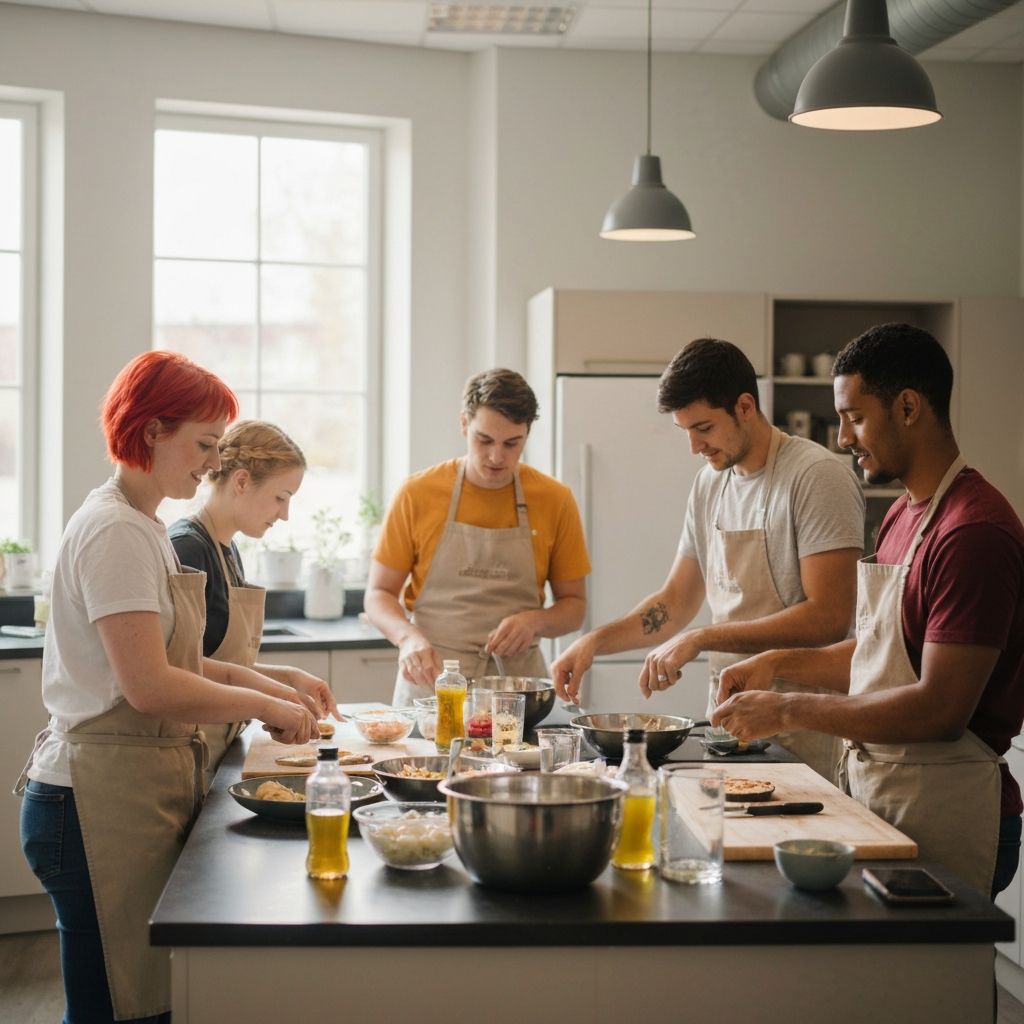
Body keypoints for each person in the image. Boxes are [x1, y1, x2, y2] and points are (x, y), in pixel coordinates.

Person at [17, 352, 319, 1024]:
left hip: (120, 792)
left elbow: (186, 659)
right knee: (113, 1009)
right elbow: (151, 686)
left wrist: (268, 690)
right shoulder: (116, 531)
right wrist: (265, 702)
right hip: (90, 802)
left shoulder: (144, 526)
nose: (213, 464)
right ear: (153, 430)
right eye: (205, 444)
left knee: (140, 1004)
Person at [713, 323, 1024, 899]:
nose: (841, 437)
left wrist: (786, 709)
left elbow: (939, 709)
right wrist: (777, 663)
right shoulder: (905, 515)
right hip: (891, 795)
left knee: (941, 987)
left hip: (951, 807)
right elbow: (882, 652)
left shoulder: (973, 532)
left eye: (854, 417)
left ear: (907, 407)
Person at [552, 338, 865, 781]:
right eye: (686, 431)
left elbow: (829, 616)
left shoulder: (816, 476)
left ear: (744, 406)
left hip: (802, 726)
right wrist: (594, 642)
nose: (694, 446)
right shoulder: (709, 484)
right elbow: (676, 601)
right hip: (727, 723)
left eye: (703, 428)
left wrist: (702, 638)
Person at [364, 368, 591, 705]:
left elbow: (574, 607)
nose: (497, 457)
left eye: (512, 443)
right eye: (484, 440)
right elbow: (379, 593)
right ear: (464, 424)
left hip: (517, 692)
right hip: (432, 687)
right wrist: (407, 639)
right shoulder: (418, 493)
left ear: (527, 435)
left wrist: (535, 621)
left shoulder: (554, 499)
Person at [169, 419, 340, 791]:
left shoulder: (226, 548)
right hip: (189, 749)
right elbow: (182, 666)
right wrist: (273, 697)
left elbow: (222, 661)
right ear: (242, 481)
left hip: (216, 744)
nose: (284, 514)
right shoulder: (187, 548)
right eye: (281, 497)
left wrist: (288, 676)